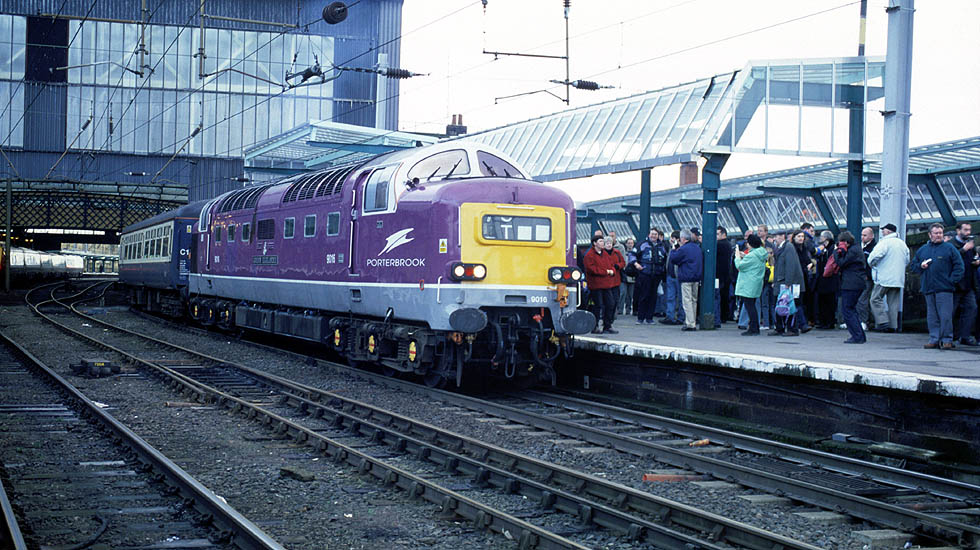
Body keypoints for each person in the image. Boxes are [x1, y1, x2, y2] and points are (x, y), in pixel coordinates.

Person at [911, 223, 965, 349]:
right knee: (932, 316)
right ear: (930, 234)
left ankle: (947, 339)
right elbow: (913, 266)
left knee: (945, 315)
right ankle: (934, 339)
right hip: (928, 288)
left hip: (945, 288)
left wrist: (951, 281)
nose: (939, 235)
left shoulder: (950, 249)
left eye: (941, 233)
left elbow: (959, 266)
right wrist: (921, 266)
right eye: (936, 233)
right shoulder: (922, 250)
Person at [867, 223, 910, 333]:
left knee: (875, 299)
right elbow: (907, 260)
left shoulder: (884, 243)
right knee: (893, 303)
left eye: (884, 230)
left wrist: (872, 263)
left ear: (888, 231)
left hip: (884, 277)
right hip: (898, 278)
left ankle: (882, 321)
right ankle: (893, 325)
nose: (882, 232)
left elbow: (875, 256)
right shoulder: (902, 244)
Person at [583, 234, 621, 334]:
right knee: (597, 305)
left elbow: (612, 264)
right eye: (600, 241)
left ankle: (607, 326)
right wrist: (606, 272)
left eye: (603, 241)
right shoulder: (589, 255)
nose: (603, 243)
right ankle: (594, 327)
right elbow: (591, 269)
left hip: (606, 284)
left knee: (610, 304)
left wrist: (612, 270)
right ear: (594, 243)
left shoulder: (605, 254)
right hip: (595, 285)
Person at [835, 231, 867, 344]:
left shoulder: (853, 251)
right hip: (856, 282)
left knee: (847, 310)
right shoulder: (856, 249)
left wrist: (836, 253)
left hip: (851, 283)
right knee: (851, 309)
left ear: (846, 242)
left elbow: (841, 262)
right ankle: (859, 335)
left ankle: (857, 336)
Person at [771, 230, 804, 336]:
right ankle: (779, 327)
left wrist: (788, 283)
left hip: (787, 282)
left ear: (781, 237)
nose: (774, 239)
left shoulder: (788, 247)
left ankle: (792, 329)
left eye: (776, 236)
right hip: (780, 281)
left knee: (789, 305)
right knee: (780, 304)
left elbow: (791, 265)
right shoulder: (780, 247)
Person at [668, 229, 702, 331]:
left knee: (687, 301)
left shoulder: (684, 249)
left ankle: (690, 323)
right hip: (696, 277)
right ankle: (693, 321)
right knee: (694, 300)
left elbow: (673, 259)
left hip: (686, 277)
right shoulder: (697, 248)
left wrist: (674, 248)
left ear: (683, 238)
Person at [950, 222, 979, 346]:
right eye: (965, 230)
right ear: (958, 231)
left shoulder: (970, 246)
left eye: (969, 230)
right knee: (951, 311)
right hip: (955, 284)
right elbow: (950, 260)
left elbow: (969, 262)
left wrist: (976, 262)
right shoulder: (951, 245)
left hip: (968, 284)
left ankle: (964, 336)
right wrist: (963, 250)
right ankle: (949, 336)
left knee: (971, 309)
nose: (968, 233)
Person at [734, 234, 767, 335]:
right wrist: (745, 255)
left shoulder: (752, 255)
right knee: (752, 305)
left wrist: (737, 257)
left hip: (748, 283)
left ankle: (753, 328)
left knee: (749, 307)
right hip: (756, 282)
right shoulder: (761, 253)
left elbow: (740, 265)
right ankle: (754, 327)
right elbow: (753, 260)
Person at [634, 228, 667, 324]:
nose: (654, 236)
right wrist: (636, 264)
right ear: (649, 234)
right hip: (645, 274)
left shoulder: (662, 246)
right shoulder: (642, 244)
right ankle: (640, 318)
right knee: (643, 295)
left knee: (653, 297)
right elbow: (632, 254)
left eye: (655, 234)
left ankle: (649, 318)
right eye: (652, 234)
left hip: (657, 275)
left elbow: (665, 258)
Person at [813, 231, 840, 329]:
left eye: (822, 236)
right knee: (823, 300)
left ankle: (829, 321)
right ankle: (824, 321)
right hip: (823, 278)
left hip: (829, 278)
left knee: (829, 301)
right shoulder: (823, 249)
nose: (820, 238)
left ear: (827, 238)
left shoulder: (832, 249)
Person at [660, 231, 685, 325]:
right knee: (670, 297)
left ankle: (680, 317)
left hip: (678, 276)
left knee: (680, 298)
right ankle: (670, 316)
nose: (671, 240)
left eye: (673, 238)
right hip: (670, 276)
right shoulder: (671, 248)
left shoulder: (681, 249)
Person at [792, 230, 814, 333]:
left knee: (799, 301)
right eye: (799, 236)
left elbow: (808, 261)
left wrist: (810, 264)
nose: (801, 238)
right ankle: (802, 324)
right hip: (796, 278)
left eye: (802, 236)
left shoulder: (804, 249)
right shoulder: (793, 249)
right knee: (797, 301)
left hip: (803, 278)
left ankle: (800, 323)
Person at [603, 236, 626, 327]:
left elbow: (623, 263)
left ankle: (611, 320)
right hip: (605, 281)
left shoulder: (617, 253)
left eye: (610, 243)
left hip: (616, 280)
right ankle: (606, 321)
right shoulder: (602, 254)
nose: (608, 245)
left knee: (616, 300)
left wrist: (617, 266)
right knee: (608, 302)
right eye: (607, 243)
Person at [857, 227, 877, 328]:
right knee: (863, 299)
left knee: (862, 299)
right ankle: (864, 320)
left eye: (865, 235)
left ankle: (864, 321)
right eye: (862, 235)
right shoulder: (863, 247)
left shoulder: (873, 248)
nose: (862, 237)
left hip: (867, 277)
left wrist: (867, 275)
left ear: (871, 236)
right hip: (863, 276)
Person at [716, 226, 733, 323]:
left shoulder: (720, 245)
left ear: (724, 234)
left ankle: (721, 316)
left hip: (720, 275)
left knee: (720, 296)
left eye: (718, 234)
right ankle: (725, 315)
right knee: (725, 296)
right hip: (726, 275)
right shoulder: (728, 244)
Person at [621, 237, 637, 315]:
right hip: (624, 275)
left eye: (631, 243)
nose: (630, 245)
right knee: (623, 293)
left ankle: (628, 309)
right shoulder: (623, 253)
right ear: (626, 244)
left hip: (633, 276)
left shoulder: (636, 253)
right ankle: (620, 309)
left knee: (630, 295)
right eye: (629, 243)